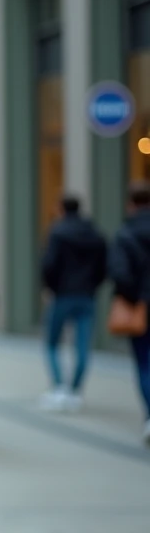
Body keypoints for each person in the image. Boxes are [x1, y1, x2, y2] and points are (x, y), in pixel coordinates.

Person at [38, 194, 107, 412]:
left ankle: (60, 387)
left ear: (61, 209)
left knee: (51, 343)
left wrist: (51, 287)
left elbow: (49, 265)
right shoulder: (95, 234)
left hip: (63, 294)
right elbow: (104, 266)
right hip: (86, 295)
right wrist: (92, 285)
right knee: (82, 345)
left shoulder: (57, 232)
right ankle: (75, 390)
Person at [108, 182, 150, 444]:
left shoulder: (126, 234)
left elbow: (120, 273)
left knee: (145, 363)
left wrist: (135, 298)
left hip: (139, 308)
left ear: (131, 204)